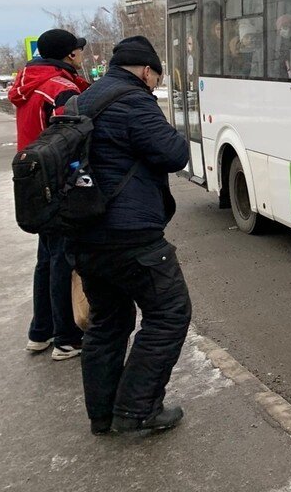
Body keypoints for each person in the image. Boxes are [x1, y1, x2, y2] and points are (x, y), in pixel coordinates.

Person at [66, 35, 191, 436]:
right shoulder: (135, 101)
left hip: (85, 233)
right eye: (155, 75)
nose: (155, 83)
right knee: (169, 313)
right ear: (146, 70)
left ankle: (102, 415)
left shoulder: (81, 100)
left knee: (107, 321)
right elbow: (173, 153)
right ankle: (137, 410)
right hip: (131, 236)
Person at [10, 29, 89, 361]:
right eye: (79, 51)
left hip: (31, 181)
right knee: (62, 260)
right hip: (56, 183)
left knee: (46, 259)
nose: (82, 55)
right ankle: (66, 338)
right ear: (69, 55)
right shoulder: (59, 89)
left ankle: (39, 332)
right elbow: (69, 138)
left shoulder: (27, 84)